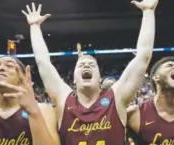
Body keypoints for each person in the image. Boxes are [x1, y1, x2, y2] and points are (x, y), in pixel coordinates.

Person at [22, 0, 157, 144]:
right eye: (81, 65)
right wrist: (34, 27)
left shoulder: (116, 98)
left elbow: (143, 57)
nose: (86, 65)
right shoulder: (64, 100)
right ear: (73, 78)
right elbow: (43, 62)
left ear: (100, 78)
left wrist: (148, 12)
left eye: (92, 64)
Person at [0, 56, 59, 145]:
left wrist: (33, 112)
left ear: (23, 77)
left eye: (9, 66)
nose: (0, 68)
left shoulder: (43, 110)